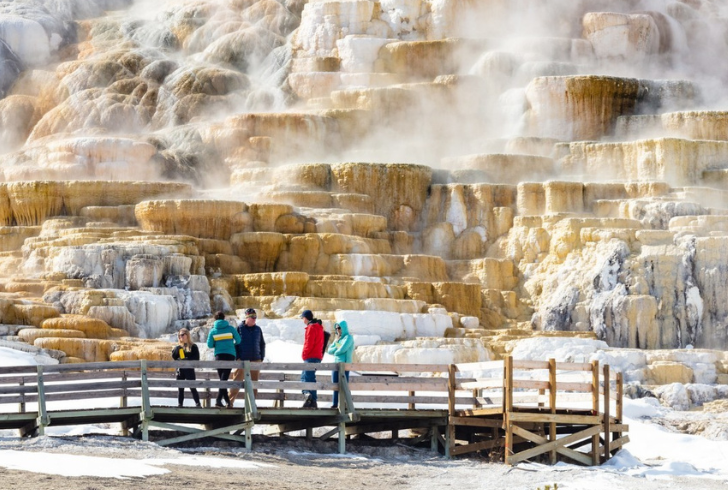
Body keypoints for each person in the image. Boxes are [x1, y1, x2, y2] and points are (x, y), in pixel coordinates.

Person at [229, 308, 266, 408]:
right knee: (236, 382)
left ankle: (251, 404)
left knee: (254, 384)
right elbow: (234, 344)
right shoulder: (239, 328)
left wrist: (261, 357)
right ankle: (230, 402)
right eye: (252, 317)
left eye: (255, 317)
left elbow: (262, 344)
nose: (254, 319)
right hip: (242, 360)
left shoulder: (258, 329)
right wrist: (237, 358)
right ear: (246, 317)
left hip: (255, 359)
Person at [206, 311, 241, 408]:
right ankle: (223, 401)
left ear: (215, 319)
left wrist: (217, 344)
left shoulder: (213, 330)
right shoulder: (231, 328)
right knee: (223, 379)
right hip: (230, 355)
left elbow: (209, 345)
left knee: (223, 379)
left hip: (219, 356)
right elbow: (238, 340)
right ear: (224, 318)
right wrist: (231, 345)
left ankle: (222, 400)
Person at [327, 321, 354, 409]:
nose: (338, 330)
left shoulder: (349, 338)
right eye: (336, 328)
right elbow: (330, 350)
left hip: (344, 364)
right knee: (335, 384)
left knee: (344, 385)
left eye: (339, 328)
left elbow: (343, 349)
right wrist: (336, 347)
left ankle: (346, 404)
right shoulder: (338, 339)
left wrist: (336, 350)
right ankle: (335, 403)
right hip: (336, 363)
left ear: (343, 328)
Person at [300, 309, 324, 408]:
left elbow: (309, 343)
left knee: (306, 377)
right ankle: (313, 401)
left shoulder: (311, 327)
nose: (302, 320)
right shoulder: (319, 327)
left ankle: (308, 395)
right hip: (317, 356)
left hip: (310, 356)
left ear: (305, 318)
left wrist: (304, 355)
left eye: (302, 318)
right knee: (309, 377)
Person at [172, 328, 201, 408]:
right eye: (179, 335)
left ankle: (198, 404)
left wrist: (187, 360)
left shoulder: (193, 346)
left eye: (182, 335)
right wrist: (177, 349)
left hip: (189, 370)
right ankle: (180, 404)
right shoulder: (179, 347)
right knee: (180, 389)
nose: (180, 337)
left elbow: (196, 358)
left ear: (187, 335)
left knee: (192, 387)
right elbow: (174, 357)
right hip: (180, 370)